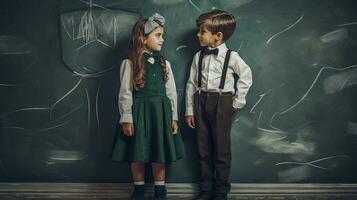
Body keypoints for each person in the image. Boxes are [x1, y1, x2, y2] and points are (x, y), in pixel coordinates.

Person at [112, 13, 185, 200]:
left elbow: (171, 93)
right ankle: (139, 189)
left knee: (159, 151)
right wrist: (126, 118)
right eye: (158, 35)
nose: (162, 39)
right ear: (143, 39)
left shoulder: (165, 63)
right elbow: (125, 93)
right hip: (139, 114)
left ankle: (160, 190)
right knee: (137, 152)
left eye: (162, 35)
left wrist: (174, 117)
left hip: (161, 114)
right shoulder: (129, 63)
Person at [185, 9, 253, 200]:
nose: (198, 34)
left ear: (218, 36)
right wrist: (189, 111)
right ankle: (206, 188)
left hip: (222, 101)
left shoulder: (232, 57)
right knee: (203, 148)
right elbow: (191, 83)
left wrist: (237, 103)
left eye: (202, 31)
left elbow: (246, 76)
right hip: (200, 100)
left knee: (221, 150)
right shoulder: (198, 57)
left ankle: (221, 190)